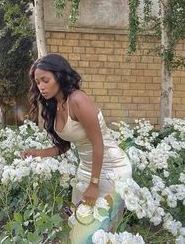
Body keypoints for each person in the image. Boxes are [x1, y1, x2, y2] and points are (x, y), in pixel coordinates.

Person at [22, 53, 132, 243]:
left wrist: (94, 184)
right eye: (37, 82)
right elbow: (63, 147)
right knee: (78, 225)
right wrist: (37, 153)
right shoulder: (53, 106)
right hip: (87, 169)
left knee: (101, 232)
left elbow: (98, 143)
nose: (41, 86)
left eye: (45, 80)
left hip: (111, 169)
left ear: (59, 76)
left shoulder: (78, 100)